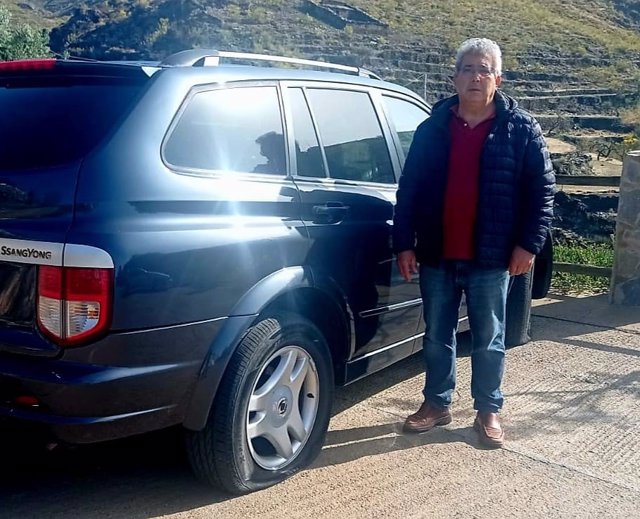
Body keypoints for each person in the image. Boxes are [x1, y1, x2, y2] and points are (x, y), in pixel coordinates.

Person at [393, 38, 555, 448]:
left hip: (491, 256)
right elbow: (408, 189)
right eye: (468, 69)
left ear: (497, 79)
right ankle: (436, 403)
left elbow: (542, 192)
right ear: (455, 77)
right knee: (436, 335)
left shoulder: (521, 129)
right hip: (436, 251)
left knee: (489, 337)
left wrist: (528, 245)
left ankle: (488, 410)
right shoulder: (432, 129)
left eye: (484, 70)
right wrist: (404, 243)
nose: (475, 77)